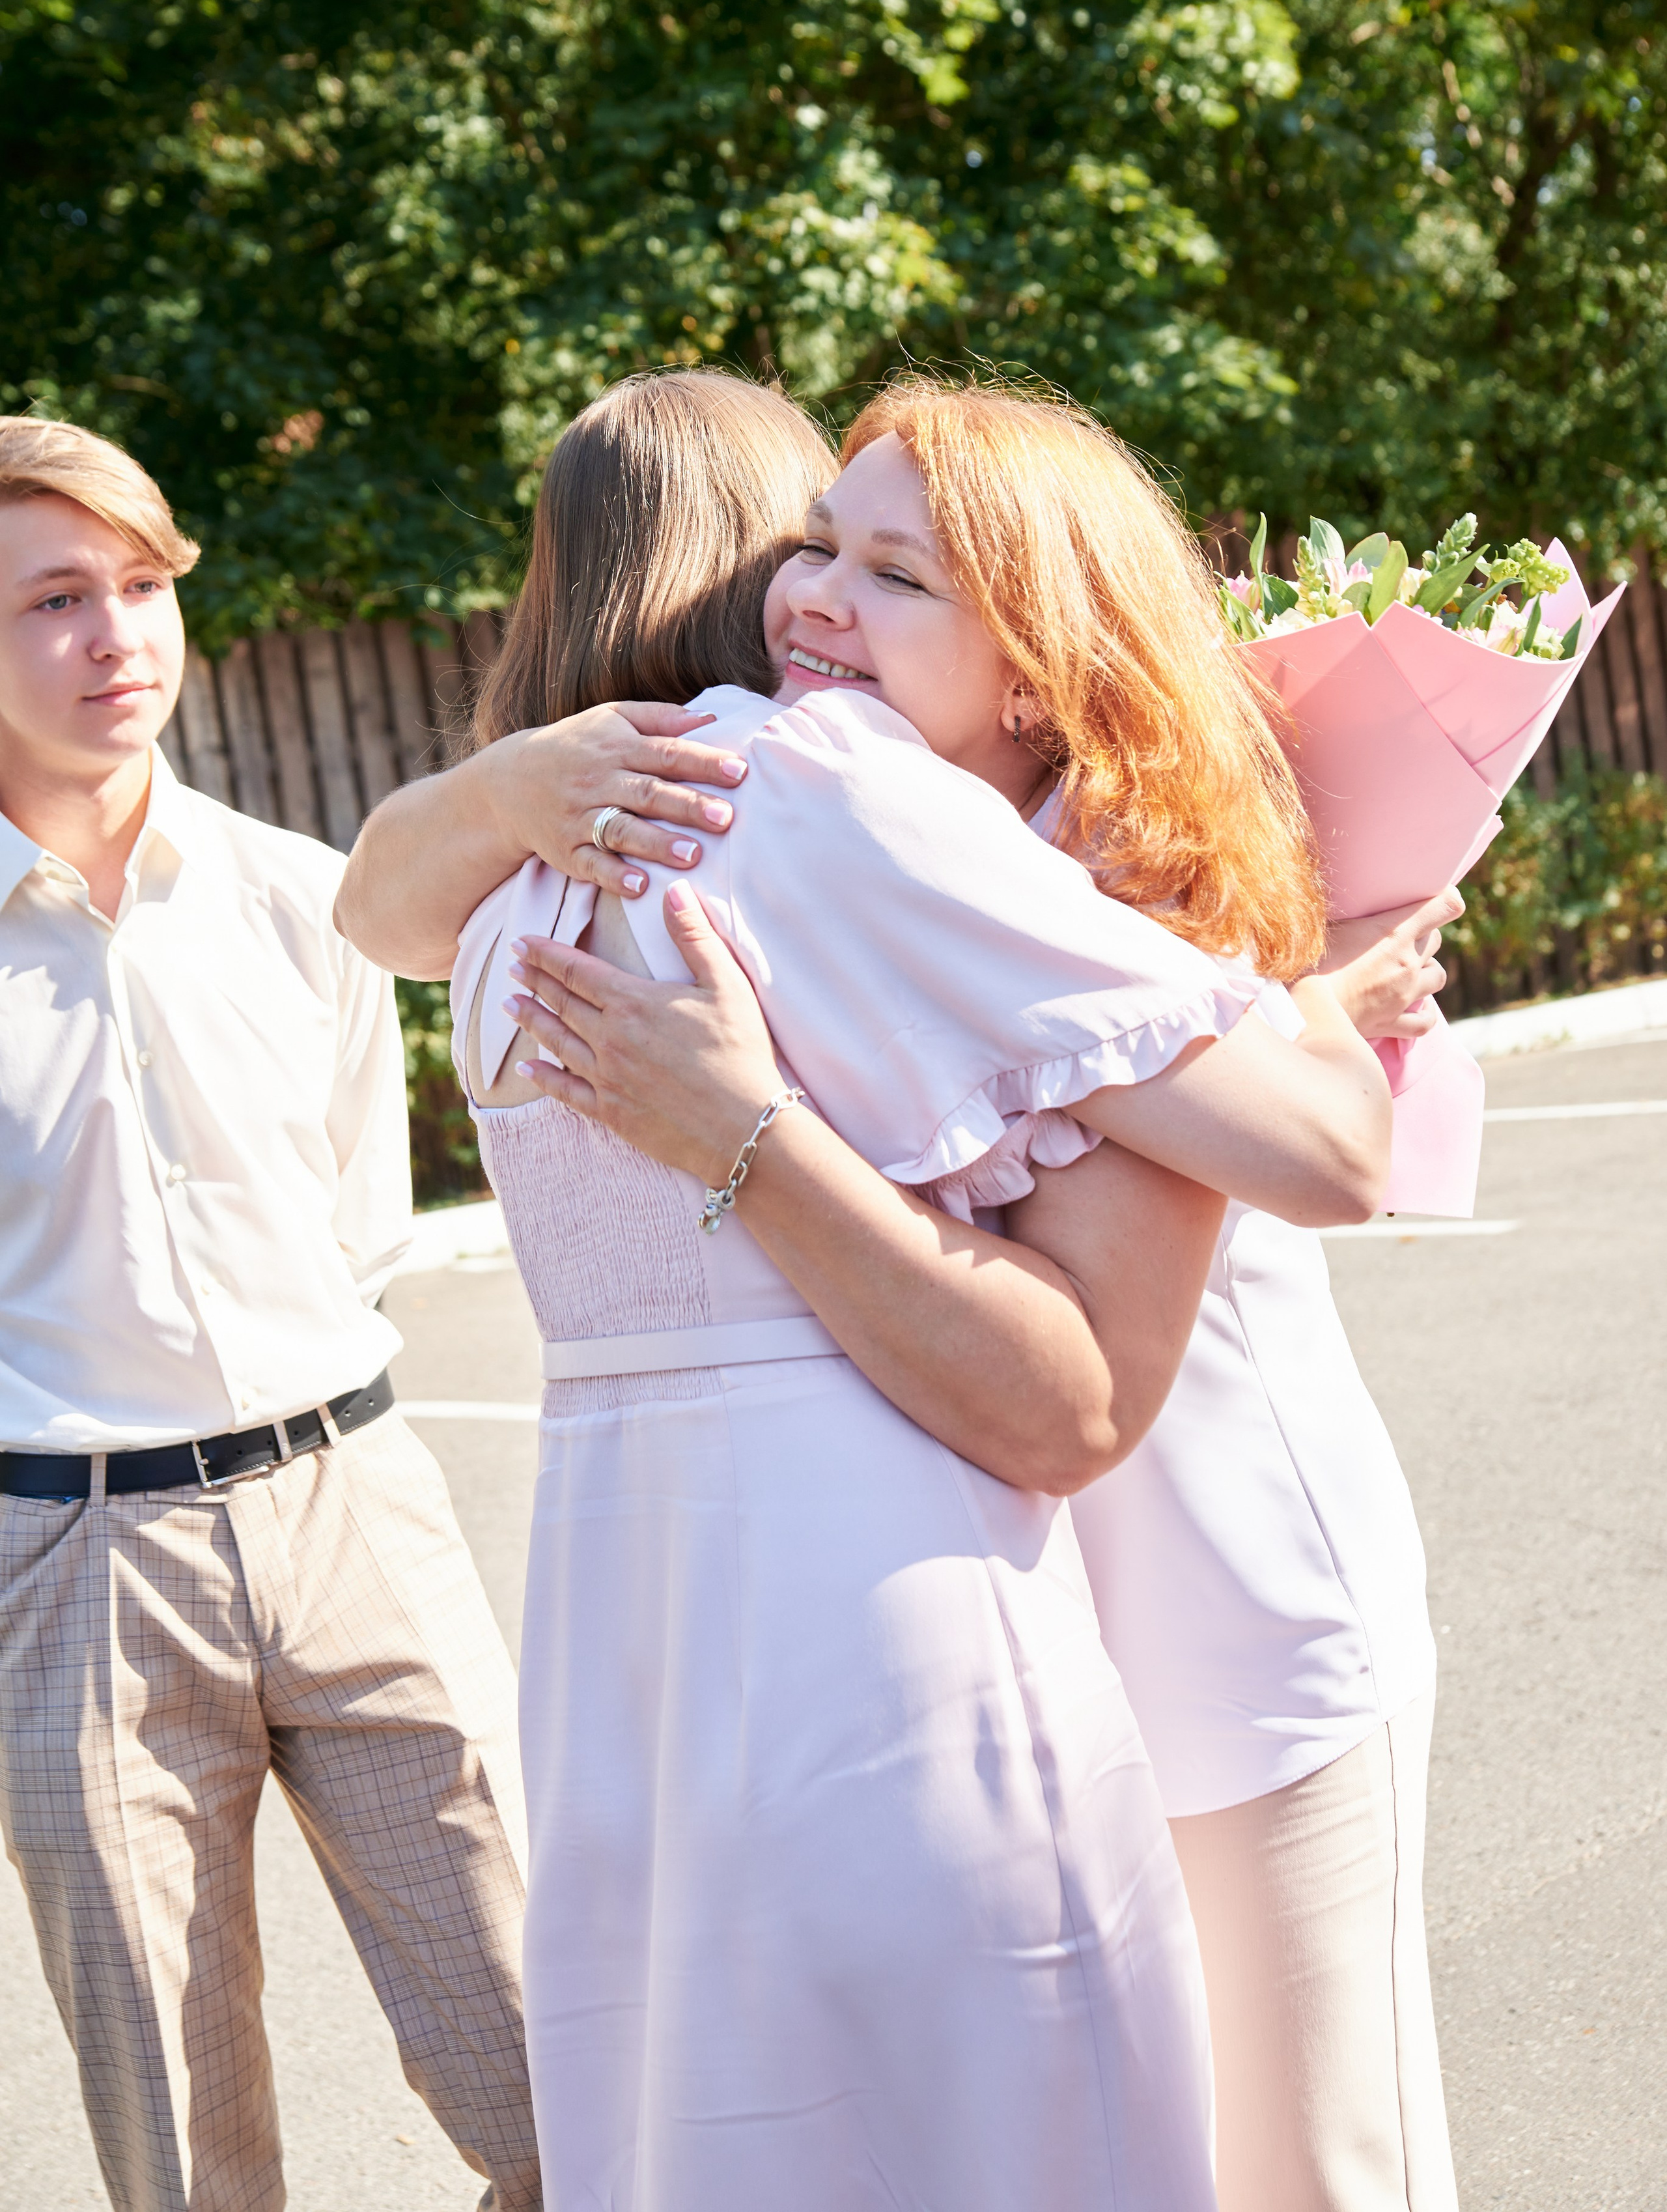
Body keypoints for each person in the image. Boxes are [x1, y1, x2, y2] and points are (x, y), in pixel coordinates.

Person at [342, 370, 1460, 2212]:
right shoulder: (811, 832)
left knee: (1313, 2168)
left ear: (1032, 662)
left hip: (1236, 1612)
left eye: (888, 571)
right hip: (1009, 1604)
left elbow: (1319, 1158)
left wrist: (1303, 991)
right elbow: (379, 897)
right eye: (814, 546)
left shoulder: (1105, 873)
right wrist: (517, 784)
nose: (811, 603)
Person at [0, 416, 542, 2212]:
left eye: (141, 584)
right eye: (55, 598)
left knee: (556, 2062)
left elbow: (357, 1227)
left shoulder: (306, 898)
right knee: (182, 2151)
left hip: (353, 1503)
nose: (116, 635)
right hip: (77, 1568)